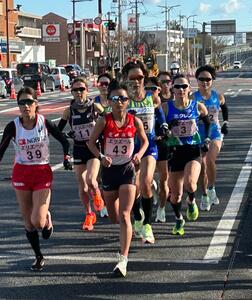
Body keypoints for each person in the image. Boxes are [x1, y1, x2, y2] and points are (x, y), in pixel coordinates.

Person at [0, 87, 72, 271]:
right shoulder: (13, 126)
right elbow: (2, 147)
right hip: (22, 172)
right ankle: (38, 256)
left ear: (36, 104)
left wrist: (67, 157)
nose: (26, 106)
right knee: (28, 222)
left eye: (29, 102)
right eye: (22, 103)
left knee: (38, 222)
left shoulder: (44, 122)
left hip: (42, 171)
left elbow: (64, 141)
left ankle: (47, 218)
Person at [88, 80, 148, 277]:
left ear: (128, 101)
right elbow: (91, 143)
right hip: (109, 171)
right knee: (114, 218)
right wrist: (101, 157)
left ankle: (123, 260)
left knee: (124, 215)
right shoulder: (104, 121)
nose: (119, 102)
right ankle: (135, 201)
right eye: (115, 98)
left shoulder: (134, 121)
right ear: (110, 102)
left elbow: (146, 141)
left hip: (127, 170)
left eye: (123, 98)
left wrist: (139, 154)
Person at [122, 61, 168, 244]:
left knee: (146, 182)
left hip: (148, 146)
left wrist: (163, 126)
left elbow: (159, 115)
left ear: (144, 78)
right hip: (130, 149)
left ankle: (147, 225)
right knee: (134, 188)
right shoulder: (124, 101)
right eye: (132, 78)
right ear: (126, 79)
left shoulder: (152, 97)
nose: (136, 81)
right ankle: (138, 217)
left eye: (140, 77)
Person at [162, 74, 210, 235]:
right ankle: (178, 219)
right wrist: (168, 126)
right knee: (175, 196)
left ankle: (191, 200)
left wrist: (207, 138)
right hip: (175, 152)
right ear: (172, 89)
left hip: (192, 150)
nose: (181, 89)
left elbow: (207, 122)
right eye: (177, 86)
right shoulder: (166, 107)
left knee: (190, 184)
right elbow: (161, 128)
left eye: (184, 86)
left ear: (189, 89)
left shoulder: (197, 106)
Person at [58, 77, 105, 231]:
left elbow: (110, 122)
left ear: (87, 90)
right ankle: (89, 214)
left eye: (82, 89)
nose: (79, 92)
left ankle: (97, 193)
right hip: (78, 149)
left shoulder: (95, 107)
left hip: (93, 148)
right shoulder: (68, 110)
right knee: (83, 187)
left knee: (91, 180)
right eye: (75, 90)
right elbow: (58, 131)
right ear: (71, 92)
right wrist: (67, 135)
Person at [193, 65, 228, 211]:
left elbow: (225, 108)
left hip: (215, 133)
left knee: (209, 159)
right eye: (201, 79)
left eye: (207, 79)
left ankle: (212, 188)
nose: (204, 82)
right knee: (202, 166)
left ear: (212, 80)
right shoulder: (192, 98)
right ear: (197, 80)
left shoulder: (218, 96)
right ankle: (205, 194)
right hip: (198, 134)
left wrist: (226, 122)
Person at [153, 71, 174, 223]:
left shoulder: (171, 99)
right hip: (145, 144)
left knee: (164, 180)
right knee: (143, 180)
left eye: (167, 81)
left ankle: (161, 209)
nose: (164, 84)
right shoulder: (141, 101)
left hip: (165, 142)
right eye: (161, 82)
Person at [94, 73, 114, 218]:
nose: (104, 87)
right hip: (99, 142)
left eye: (106, 83)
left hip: (116, 142)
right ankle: (104, 204)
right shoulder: (93, 102)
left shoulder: (117, 100)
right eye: (101, 84)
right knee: (100, 176)